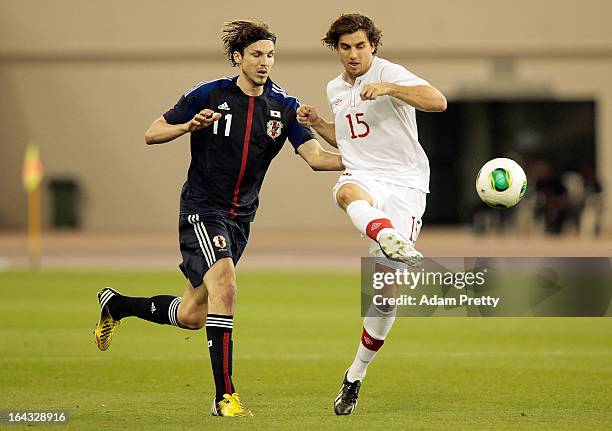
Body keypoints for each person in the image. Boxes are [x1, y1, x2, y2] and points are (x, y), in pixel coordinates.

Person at [94, 20, 343, 417]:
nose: (265, 62)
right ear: (238, 57)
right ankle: (224, 397)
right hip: (202, 208)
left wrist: (369, 164)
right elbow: (152, 133)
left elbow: (316, 158)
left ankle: (116, 305)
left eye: (270, 55)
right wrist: (186, 126)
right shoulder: (209, 94)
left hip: (240, 219)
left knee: (193, 315)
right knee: (225, 287)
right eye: (257, 54)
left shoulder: (284, 106)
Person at [297, 13, 447, 415]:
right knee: (346, 191)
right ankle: (384, 234)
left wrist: (390, 88)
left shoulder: (387, 71)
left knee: (383, 295)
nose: (353, 54)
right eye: (345, 47)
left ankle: (355, 376)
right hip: (364, 176)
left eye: (360, 46)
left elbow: (438, 101)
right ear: (336, 50)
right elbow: (349, 140)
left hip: (406, 185)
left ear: (373, 46)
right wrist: (318, 124)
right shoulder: (334, 88)